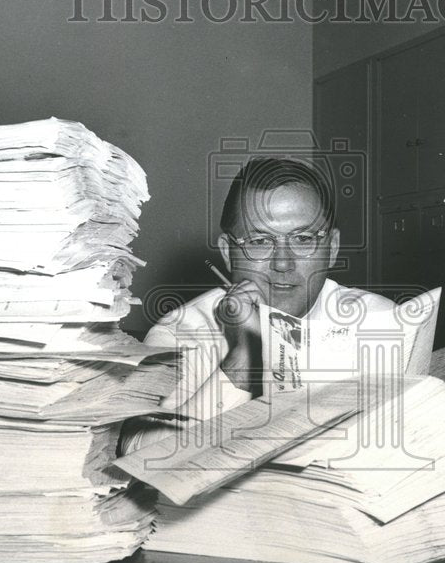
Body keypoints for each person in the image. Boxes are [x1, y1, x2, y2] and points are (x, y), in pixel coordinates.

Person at [140, 157, 399, 422]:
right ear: (228, 253)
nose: (283, 263)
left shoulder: (380, 321)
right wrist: (242, 360)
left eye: (303, 238)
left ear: (332, 249)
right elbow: (144, 454)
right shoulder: (179, 334)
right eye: (260, 241)